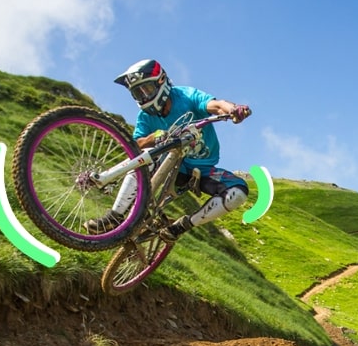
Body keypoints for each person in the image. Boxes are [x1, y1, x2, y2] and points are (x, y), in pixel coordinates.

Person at [84, 59, 252, 242]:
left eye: (146, 89)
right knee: (145, 156)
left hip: (201, 169)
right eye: (137, 93)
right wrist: (152, 138)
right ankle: (114, 217)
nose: (144, 96)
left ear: (161, 82)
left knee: (238, 192)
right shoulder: (145, 116)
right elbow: (135, 145)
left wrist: (233, 109)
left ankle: (181, 226)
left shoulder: (186, 96)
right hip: (168, 163)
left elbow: (217, 105)